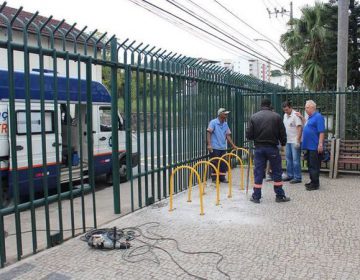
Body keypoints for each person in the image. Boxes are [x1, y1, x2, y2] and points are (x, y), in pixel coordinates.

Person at [246, 98, 290, 203]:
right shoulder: (277, 117)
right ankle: (279, 196)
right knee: (277, 172)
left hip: (259, 149)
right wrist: (283, 143)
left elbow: (248, 135)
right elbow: (282, 133)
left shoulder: (254, 117)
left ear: (261, 105)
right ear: (270, 105)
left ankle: (256, 197)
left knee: (258, 172)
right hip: (272, 148)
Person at [295, 100, 325, 191]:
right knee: (310, 165)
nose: (305, 109)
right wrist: (301, 117)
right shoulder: (310, 118)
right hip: (308, 146)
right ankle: (312, 181)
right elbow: (307, 125)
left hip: (314, 146)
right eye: (305, 107)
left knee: (314, 165)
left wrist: (320, 144)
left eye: (307, 107)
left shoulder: (318, 117)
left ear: (313, 107)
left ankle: (315, 184)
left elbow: (321, 132)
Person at [207, 108, 236, 183]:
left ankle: (222, 177)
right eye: (225, 113)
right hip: (215, 146)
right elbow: (209, 133)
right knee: (215, 162)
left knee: (223, 163)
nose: (226, 115)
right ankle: (214, 178)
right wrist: (209, 144)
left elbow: (228, 135)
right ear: (220, 114)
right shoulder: (213, 122)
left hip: (222, 147)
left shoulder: (225, 124)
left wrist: (233, 145)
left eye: (226, 114)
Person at [282, 101, 303, 184]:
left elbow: (299, 128)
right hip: (288, 140)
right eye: (284, 110)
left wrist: (298, 140)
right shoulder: (285, 115)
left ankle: (297, 177)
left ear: (291, 107)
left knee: (295, 160)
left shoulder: (295, 115)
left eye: (287, 110)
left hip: (294, 141)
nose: (285, 111)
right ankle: (290, 175)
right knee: (288, 159)